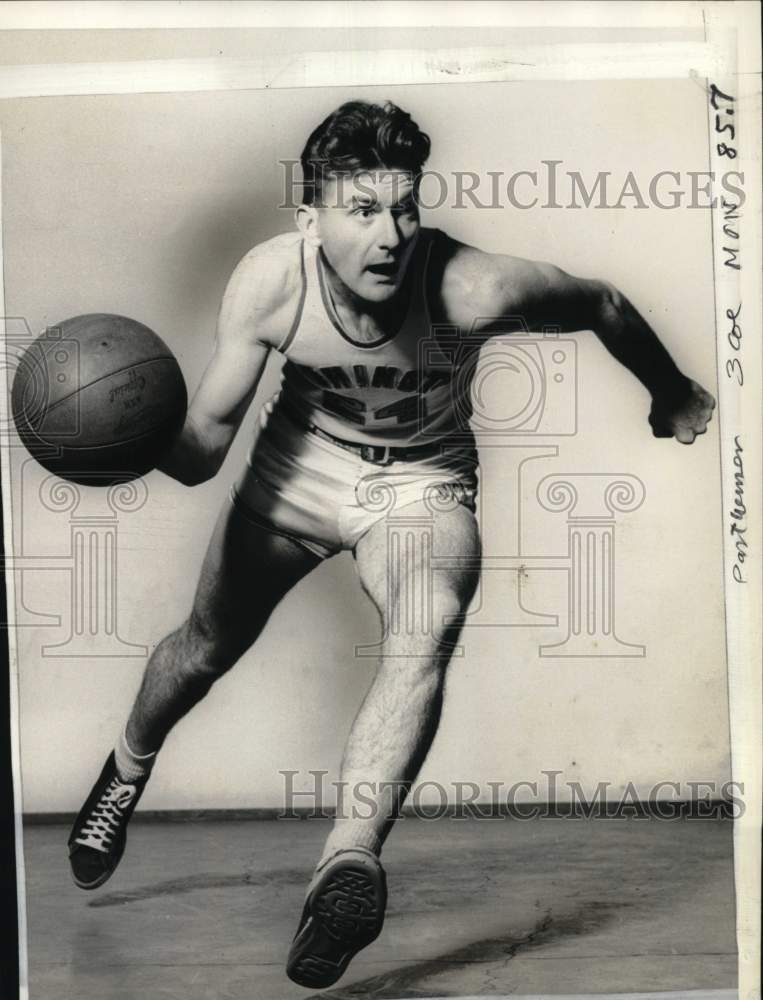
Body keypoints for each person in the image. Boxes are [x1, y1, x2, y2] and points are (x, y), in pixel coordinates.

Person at [67, 100, 716, 989]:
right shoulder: (269, 283)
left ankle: (349, 863)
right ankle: (126, 770)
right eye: (362, 211)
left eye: (404, 206)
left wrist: (669, 388)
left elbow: (600, 300)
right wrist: (124, 439)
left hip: (420, 483)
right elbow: (202, 453)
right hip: (297, 474)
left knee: (429, 621)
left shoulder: (472, 287)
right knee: (203, 648)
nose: (389, 233)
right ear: (311, 219)